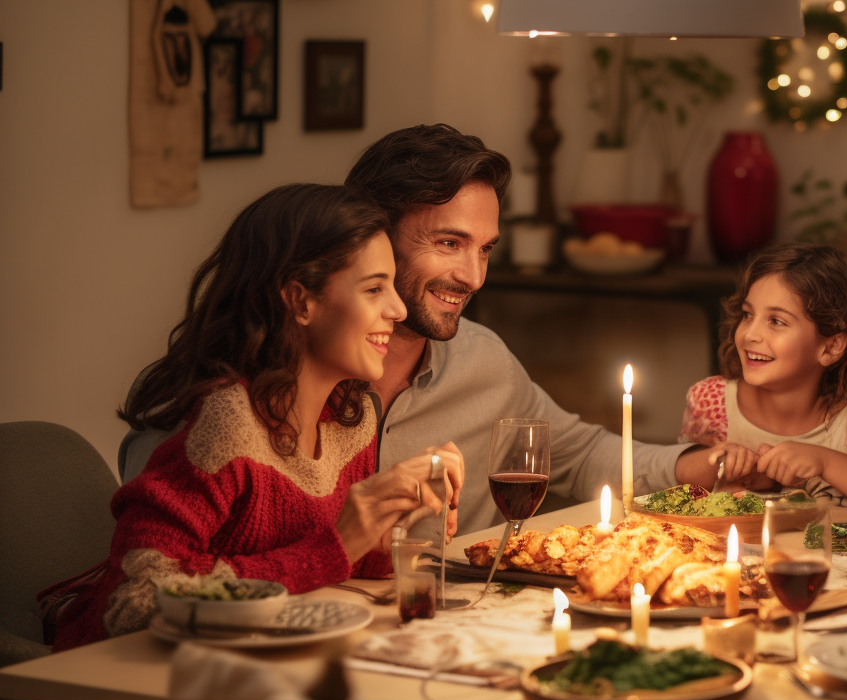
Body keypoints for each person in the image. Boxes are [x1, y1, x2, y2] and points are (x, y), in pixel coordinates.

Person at [33, 183, 463, 700]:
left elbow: (342, 574)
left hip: (271, 695)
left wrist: (402, 521)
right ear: (301, 300)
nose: (398, 309)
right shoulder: (227, 426)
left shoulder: (353, 418)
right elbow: (136, 603)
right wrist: (341, 540)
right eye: (374, 289)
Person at [120, 125, 726, 533]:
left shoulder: (482, 360)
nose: (473, 277)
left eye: (485, 249)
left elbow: (582, 454)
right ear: (372, 233)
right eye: (448, 243)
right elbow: (161, 516)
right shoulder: (268, 384)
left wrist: (715, 466)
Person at [678, 243, 847, 521]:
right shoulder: (711, 403)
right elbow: (679, 497)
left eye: (777, 321)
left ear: (830, 347)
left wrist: (824, 461)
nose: (749, 334)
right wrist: (716, 470)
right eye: (747, 315)